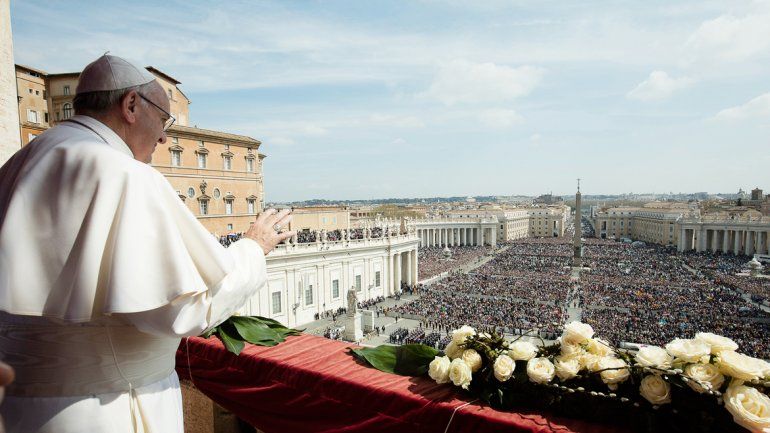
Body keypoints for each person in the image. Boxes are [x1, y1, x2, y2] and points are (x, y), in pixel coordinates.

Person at [0, 54, 295, 433]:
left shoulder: (16, 165)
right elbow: (182, 312)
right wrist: (254, 247)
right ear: (131, 106)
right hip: (105, 409)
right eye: (163, 119)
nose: (163, 137)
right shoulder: (126, 175)